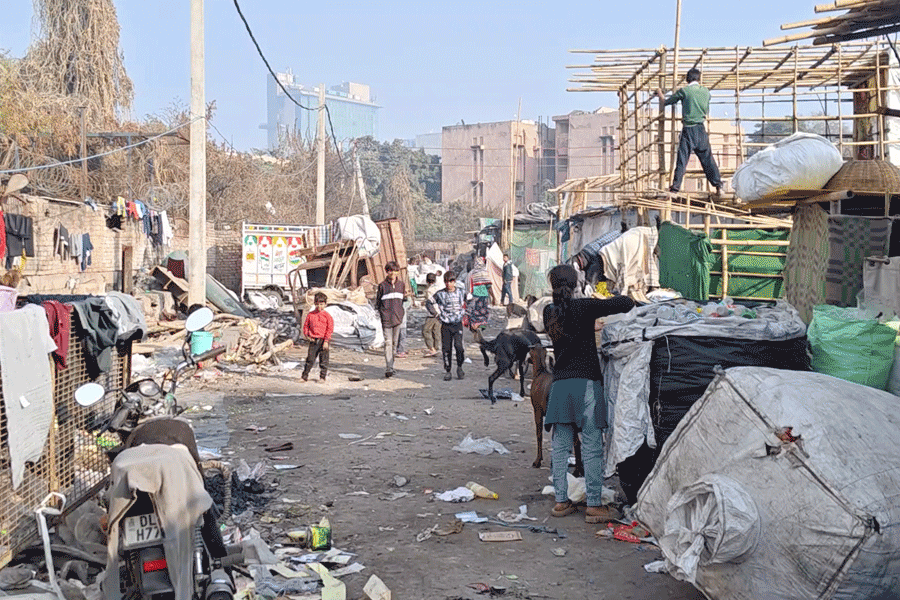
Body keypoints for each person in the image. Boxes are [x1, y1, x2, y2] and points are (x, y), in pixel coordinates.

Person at [542, 264, 634, 523]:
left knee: (560, 448)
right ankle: (594, 505)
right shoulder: (585, 306)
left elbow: (567, 330)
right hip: (586, 387)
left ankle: (561, 502)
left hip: (560, 387)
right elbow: (625, 303)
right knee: (592, 447)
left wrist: (588, 325)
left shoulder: (549, 311)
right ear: (575, 284)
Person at [656, 68, 723, 195]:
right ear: (699, 79)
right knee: (708, 160)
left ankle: (675, 188)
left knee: (682, 159)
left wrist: (659, 93)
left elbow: (666, 102)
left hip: (689, 129)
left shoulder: (685, 91)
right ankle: (718, 185)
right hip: (701, 129)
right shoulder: (706, 92)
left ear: (687, 79)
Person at [428, 271, 466, 381]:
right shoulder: (440, 294)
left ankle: (459, 367)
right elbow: (429, 303)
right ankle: (448, 371)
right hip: (445, 324)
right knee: (446, 348)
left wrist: (465, 312)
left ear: (454, 282)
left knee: (459, 347)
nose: (449, 284)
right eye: (446, 281)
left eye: (451, 281)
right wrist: (436, 315)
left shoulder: (461, 292)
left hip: (457, 323)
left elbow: (471, 299)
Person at [375, 261, 406, 378]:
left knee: (394, 344)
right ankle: (389, 368)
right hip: (386, 319)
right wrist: (382, 314)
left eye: (395, 270)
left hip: (397, 319)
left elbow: (402, 301)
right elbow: (378, 303)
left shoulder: (401, 285)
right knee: (388, 343)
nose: (393, 273)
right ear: (387, 272)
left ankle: (391, 366)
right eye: (390, 271)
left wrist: (401, 314)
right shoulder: (382, 286)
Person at [301, 292, 334, 382]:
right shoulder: (311, 315)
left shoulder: (327, 316)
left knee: (323, 360)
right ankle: (304, 376)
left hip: (323, 340)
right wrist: (307, 335)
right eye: (318, 304)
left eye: (322, 304)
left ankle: (322, 377)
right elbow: (306, 326)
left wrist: (326, 341)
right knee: (310, 359)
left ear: (325, 304)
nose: (319, 306)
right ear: (315, 304)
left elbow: (329, 329)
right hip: (313, 340)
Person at [466, 256, 492, 332]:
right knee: (483, 312)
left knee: (474, 312)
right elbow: (489, 286)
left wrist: (467, 294)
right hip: (483, 296)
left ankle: (474, 327)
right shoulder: (485, 272)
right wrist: (493, 297)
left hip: (474, 295)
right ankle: (482, 327)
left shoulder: (472, 273)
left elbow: (468, 284)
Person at [422, 272, 443, 357]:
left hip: (432, 314)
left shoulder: (429, 290)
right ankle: (436, 348)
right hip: (440, 313)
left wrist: (433, 313)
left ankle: (431, 348)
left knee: (426, 331)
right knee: (436, 332)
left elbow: (429, 302)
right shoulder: (440, 288)